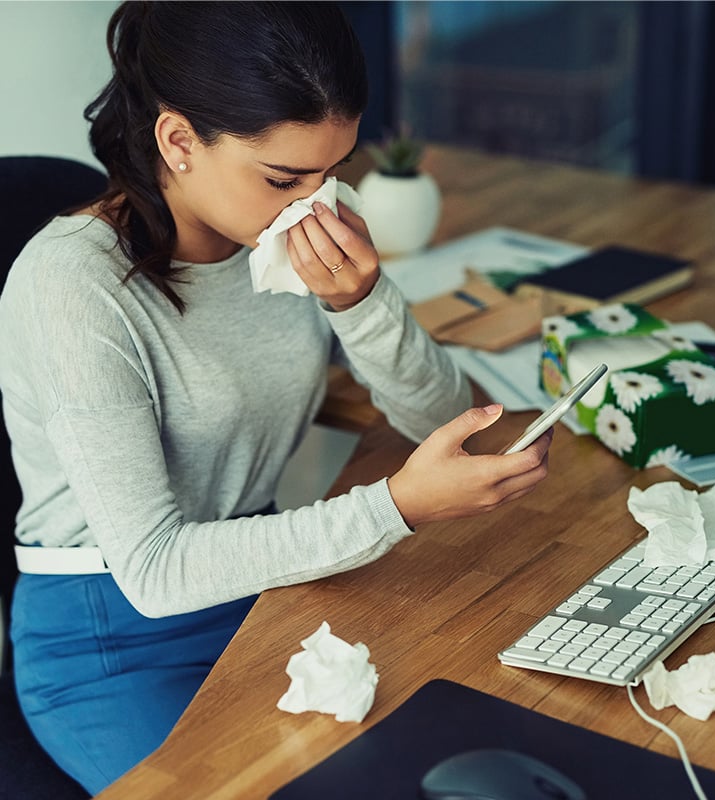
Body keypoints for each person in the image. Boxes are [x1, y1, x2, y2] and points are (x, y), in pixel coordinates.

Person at [0, 2, 552, 794]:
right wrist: (394, 506)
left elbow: (441, 417)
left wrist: (361, 302)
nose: (315, 201)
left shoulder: (299, 227)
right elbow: (154, 571)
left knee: (458, 735)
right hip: (114, 636)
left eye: (333, 170)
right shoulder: (74, 287)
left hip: (263, 589)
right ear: (179, 141)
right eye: (285, 178)